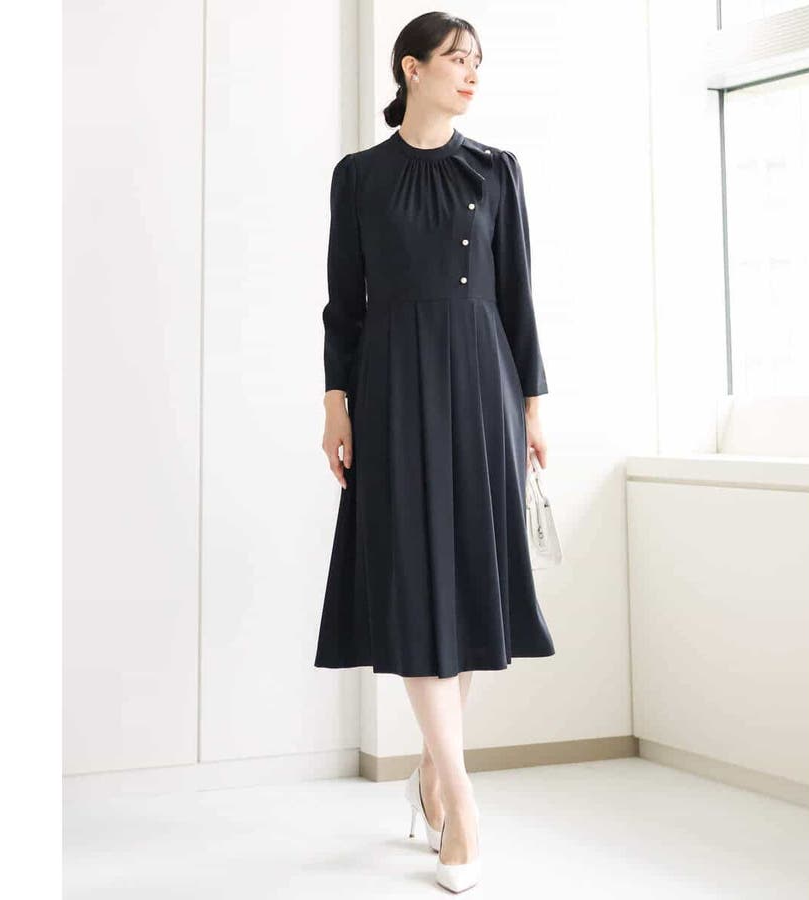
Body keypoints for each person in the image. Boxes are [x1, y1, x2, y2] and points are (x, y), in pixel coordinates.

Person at [314, 11, 555, 892]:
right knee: (415, 582)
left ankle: (431, 773)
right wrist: (336, 404)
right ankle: (459, 792)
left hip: (484, 385)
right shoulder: (359, 176)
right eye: (457, 59)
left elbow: (518, 294)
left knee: (468, 581)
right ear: (411, 69)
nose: (472, 73)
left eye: (478, 61)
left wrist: (532, 407)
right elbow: (343, 303)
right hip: (391, 388)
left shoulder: (497, 170)